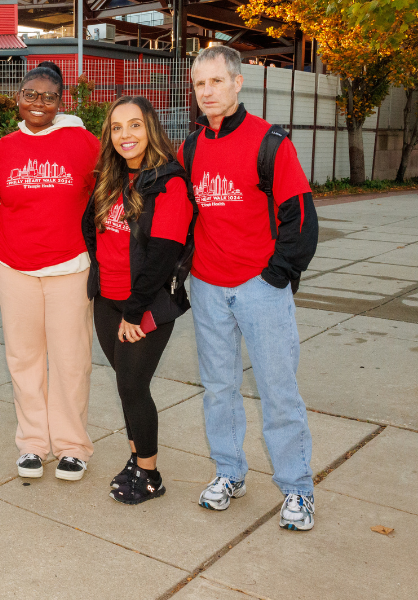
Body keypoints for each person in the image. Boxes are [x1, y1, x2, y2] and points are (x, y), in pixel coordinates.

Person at [180, 45, 319, 530]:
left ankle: (298, 488)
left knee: (278, 391)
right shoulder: (191, 147)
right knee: (218, 389)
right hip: (208, 289)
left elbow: (299, 216)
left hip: (260, 288)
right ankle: (229, 472)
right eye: (200, 83)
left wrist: (277, 274)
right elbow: (183, 214)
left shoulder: (270, 143)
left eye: (216, 81)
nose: (208, 92)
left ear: (238, 83)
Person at [0, 62, 99, 481]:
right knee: (23, 359)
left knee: (71, 360)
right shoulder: (2, 147)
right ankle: (33, 443)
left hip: (70, 265)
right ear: (18, 97)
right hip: (13, 265)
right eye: (30, 94)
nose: (38, 103)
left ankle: (72, 446)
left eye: (48, 96)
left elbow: (104, 199)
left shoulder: (85, 143)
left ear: (61, 101)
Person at [82, 96, 195, 504]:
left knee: (133, 385)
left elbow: (163, 254)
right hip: (107, 299)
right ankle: (136, 458)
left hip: (141, 305)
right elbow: (96, 235)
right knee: (126, 385)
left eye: (134, 125)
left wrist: (134, 310)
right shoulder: (110, 178)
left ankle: (149, 474)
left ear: (150, 129)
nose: (125, 135)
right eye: (116, 127)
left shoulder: (170, 182)